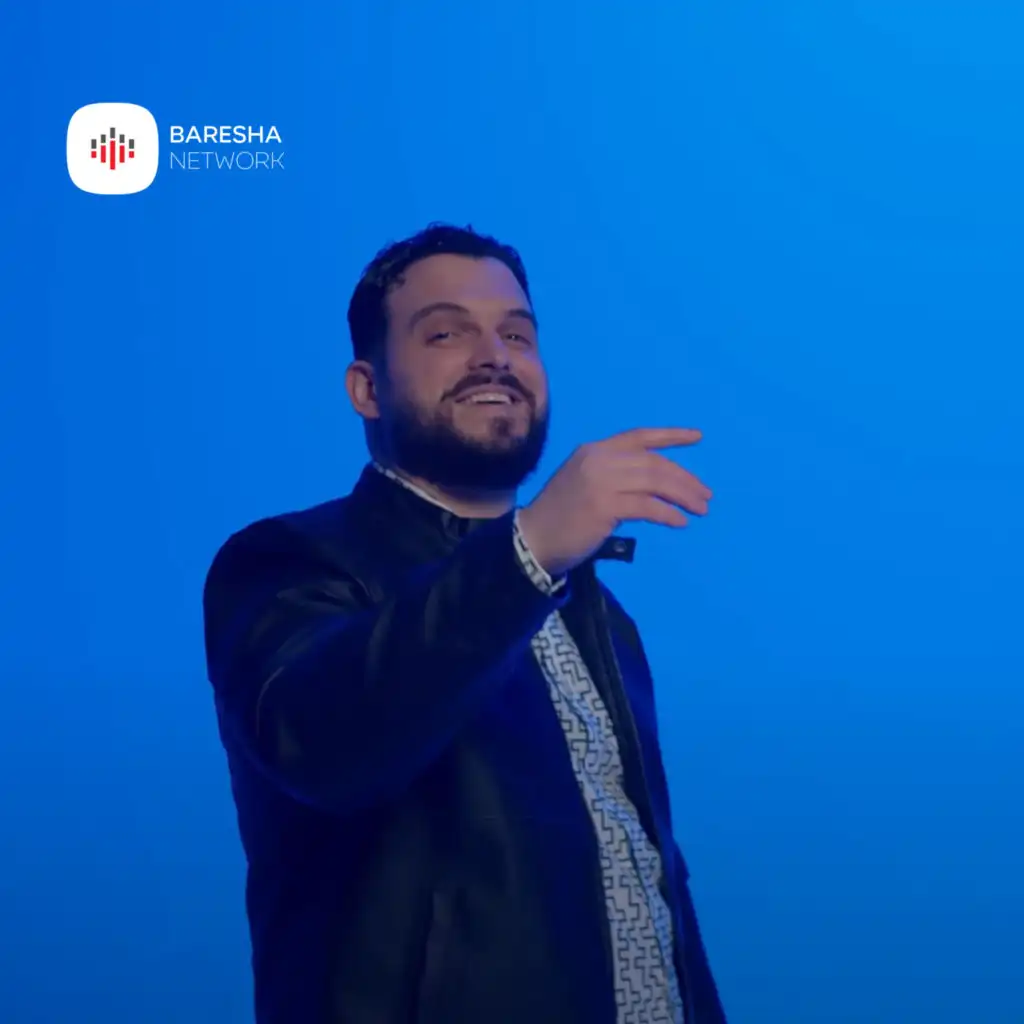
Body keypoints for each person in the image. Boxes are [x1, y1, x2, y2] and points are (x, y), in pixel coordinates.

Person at [202, 223, 727, 1024]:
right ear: (366, 388)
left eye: (517, 335)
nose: (495, 357)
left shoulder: (598, 614)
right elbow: (324, 744)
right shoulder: (285, 563)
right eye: (446, 333)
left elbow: (647, 874)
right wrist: (527, 551)